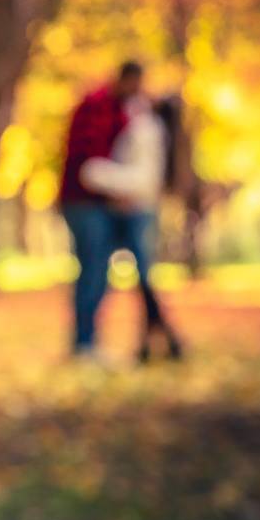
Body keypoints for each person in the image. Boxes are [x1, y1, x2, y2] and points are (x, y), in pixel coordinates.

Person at [80, 94, 183, 362]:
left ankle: (163, 341)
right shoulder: (154, 129)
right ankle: (161, 341)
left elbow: (142, 178)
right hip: (133, 210)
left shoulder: (147, 129)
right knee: (140, 279)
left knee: (129, 278)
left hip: (135, 211)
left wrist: (95, 174)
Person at [59, 61, 141, 356]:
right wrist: (115, 188)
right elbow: (89, 162)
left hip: (97, 203)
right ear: (126, 79)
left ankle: (88, 340)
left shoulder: (121, 109)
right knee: (93, 271)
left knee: (98, 271)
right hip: (83, 202)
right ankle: (84, 343)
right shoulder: (97, 105)